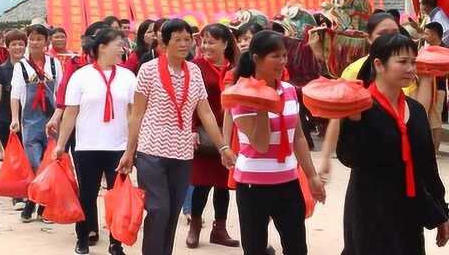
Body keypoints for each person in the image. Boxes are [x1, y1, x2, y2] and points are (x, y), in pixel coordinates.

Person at [116, 19, 236, 255]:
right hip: (151, 152)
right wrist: (129, 152)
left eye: (187, 39)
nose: (184, 44)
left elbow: (205, 112)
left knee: (172, 212)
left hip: (182, 154)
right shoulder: (148, 70)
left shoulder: (194, 71)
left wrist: (223, 147)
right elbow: (137, 114)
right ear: (164, 42)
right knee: (158, 208)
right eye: (178, 39)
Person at [337, 33, 449, 254]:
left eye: (413, 62)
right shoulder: (360, 107)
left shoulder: (415, 111)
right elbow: (348, 157)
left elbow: (427, 166)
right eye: (402, 62)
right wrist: (354, 123)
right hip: (369, 211)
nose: (410, 68)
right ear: (379, 64)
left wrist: (441, 212)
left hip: (408, 211)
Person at [227, 30, 325, 255]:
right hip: (253, 185)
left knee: (297, 246)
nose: (282, 62)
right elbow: (260, 144)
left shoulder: (289, 90)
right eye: (275, 56)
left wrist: (311, 176)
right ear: (256, 59)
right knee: (255, 247)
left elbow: (298, 136)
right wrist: (262, 102)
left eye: (284, 56)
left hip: (288, 181)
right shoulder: (240, 96)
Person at [319, 12, 434, 177]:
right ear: (369, 38)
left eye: (395, 33)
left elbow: (418, 112)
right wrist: (325, 157)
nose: (390, 39)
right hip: (370, 160)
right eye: (382, 34)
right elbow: (338, 117)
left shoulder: (406, 69)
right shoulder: (354, 70)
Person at [54, 28, 136, 255]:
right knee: (87, 195)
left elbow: (132, 113)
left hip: (118, 146)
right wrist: (61, 144)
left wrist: (132, 146)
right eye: (118, 44)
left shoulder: (128, 77)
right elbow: (71, 112)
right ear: (102, 47)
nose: (123, 49)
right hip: (87, 146)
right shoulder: (80, 76)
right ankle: (82, 237)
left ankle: (115, 241)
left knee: (117, 196)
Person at [186, 23, 240, 249]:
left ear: (225, 43)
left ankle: (220, 229)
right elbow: (188, 101)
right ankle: (195, 226)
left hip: (228, 133)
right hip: (202, 133)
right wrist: (190, 129)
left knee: (223, 185)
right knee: (200, 184)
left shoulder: (237, 67)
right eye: (204, 42)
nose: (206, 46)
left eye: (211, 42)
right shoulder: (195, 66)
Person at [10, 24, 63, 222]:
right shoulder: (20, 66)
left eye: (39, 39)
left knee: (49, 164)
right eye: (31, 39)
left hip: (52, 120)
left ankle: (41, 206)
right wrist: (15, 118)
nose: (34, 42)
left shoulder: (54, 64)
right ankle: (34, 202)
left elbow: (60, 92)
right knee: (34, 164)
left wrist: (59, 116)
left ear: (46, 42)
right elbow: (15, 95)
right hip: (30, 121)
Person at [0, 29, 27, 200]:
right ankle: (17, 194)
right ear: (7, 47)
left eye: (20, 44)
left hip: (29, 119)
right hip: (6, 119)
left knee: (29, 157)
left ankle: (27, 192)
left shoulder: (31, 68)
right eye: (13, 44)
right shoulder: (0, 71)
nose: (17, 47)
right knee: (14, 158)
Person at [423, 22, 447, 155]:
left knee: (435, 120)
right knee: (428, 118)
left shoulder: (444, 51)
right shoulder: (428, 48)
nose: (424, 36)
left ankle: (436, 150)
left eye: (426, 33)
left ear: (434, 34)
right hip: (427, 88)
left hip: (438, 89)